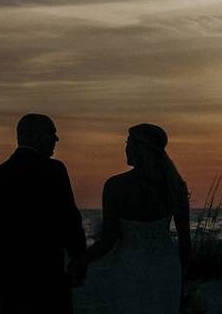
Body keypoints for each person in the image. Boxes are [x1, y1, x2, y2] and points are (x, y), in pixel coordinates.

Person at [68, 123, 190, 313]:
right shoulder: (175, 186)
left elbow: (108, 240)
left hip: (129, 267)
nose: (125, 148)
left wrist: (80, 261)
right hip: (166, 268)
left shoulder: (115, 186)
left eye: (128, 142)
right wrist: (182, 278)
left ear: (138, 148)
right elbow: (185, 244)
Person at [0, 114, 87, 314]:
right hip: (47, 277)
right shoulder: (53, 170)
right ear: (33, 136)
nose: (56, 139)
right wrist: (79, 261)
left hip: (7, 283)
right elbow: (69, 220)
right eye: (51, 132)